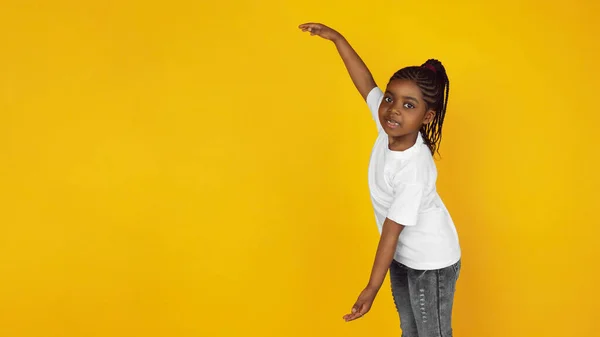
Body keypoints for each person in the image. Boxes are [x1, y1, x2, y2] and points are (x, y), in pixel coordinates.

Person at [299, 23, 462, 337]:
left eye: (409, 105)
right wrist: (338, 39)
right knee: (409, 330)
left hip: (431, 263)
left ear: (426, 117)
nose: (393, 110)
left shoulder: (415, 167)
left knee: (432, 334)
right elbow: (365, 82)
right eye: (390, 99)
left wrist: (371, 289)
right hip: (401, 256)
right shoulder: (388, 124)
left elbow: (390, 231)